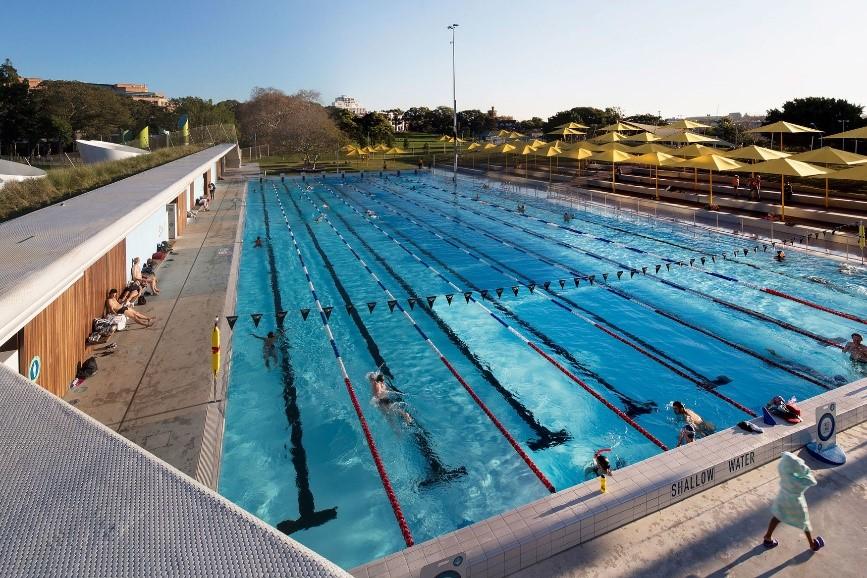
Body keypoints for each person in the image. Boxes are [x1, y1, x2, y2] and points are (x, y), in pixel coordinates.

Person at [763, 452, 824, 552]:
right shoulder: (796, 481)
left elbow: (787, 458)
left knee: (777, 516)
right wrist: (804, 470)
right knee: (804, 522)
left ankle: (767, 537)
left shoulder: (784, 474)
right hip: (795, 502)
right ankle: (812, 544)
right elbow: (811, 480)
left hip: (782, 498)